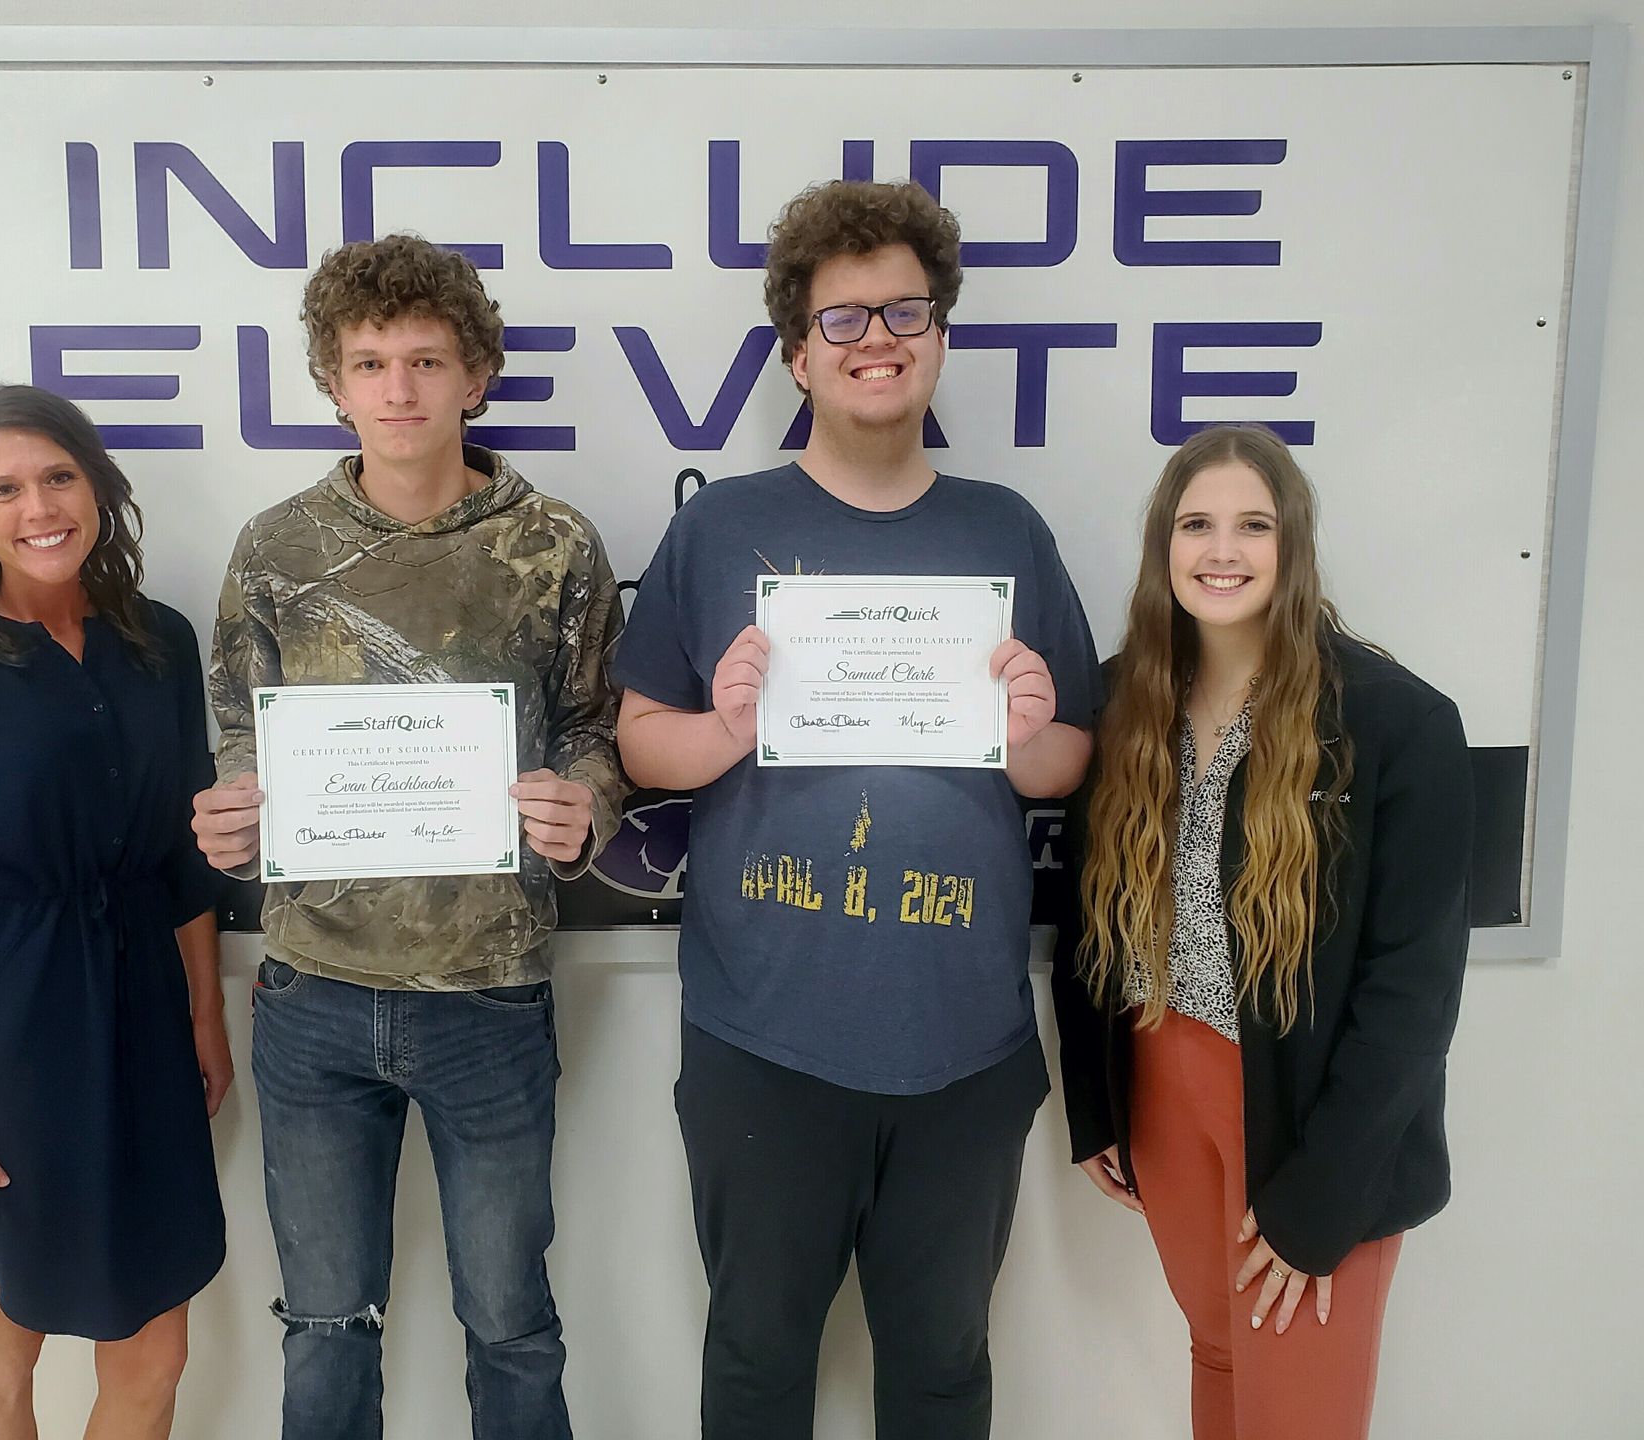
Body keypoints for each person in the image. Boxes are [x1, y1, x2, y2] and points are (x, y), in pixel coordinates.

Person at [613, 179, 1100, 1440]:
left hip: (965, 1043)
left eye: (905, 311)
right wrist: (722, 730)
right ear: (795, 352)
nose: (877, 338)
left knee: (942, 1377)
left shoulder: (1007, 532)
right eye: (842, 319)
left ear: (940, 336)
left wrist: (1033, 732)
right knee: (759, 1365)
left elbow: (1067, 768)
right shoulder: (723, 527)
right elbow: (638, 743)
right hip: (764, 1042)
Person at [190, 234, 627, 1440]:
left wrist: (583, 803)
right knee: (324, 1329)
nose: (399, 390)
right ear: (333, 380)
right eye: (370, 362)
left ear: (475, 375)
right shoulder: (276, 551)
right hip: (314, 992)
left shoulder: (554, 546)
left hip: (489, 994)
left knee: (512, 1326)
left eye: (427, 360)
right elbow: (242, 732)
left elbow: (596, 728)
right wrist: (236, 812)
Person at [1050, 423, 1474, 1440]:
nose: (1223, 551)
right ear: (1164, 549)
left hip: (1316, 1116)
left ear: (1295, 547)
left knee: (1299, 1414)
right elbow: (1082, 914)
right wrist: (1097, 1103)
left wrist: (1324, 1197)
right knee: (1220, 1358)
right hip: (1164, 1082)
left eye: (1254, 525)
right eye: (1197, 525)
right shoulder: (1124, 699)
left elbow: (1413, 992)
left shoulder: (1394, 721)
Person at [0, 384, 229, 1440]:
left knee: (156, 1356)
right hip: (0, 1043)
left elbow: (180, 859)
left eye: (59, 476)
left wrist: (206, 1017)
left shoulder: (158, 643)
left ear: (97, 486)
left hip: (144, 1028)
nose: (40, 508)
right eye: (6, 489)